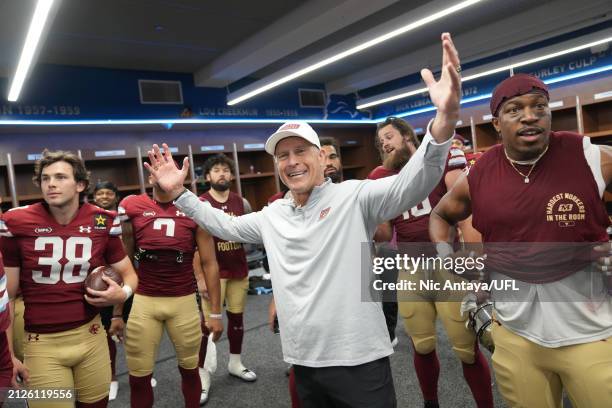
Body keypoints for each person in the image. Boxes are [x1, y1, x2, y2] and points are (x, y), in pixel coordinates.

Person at [144, 32, 461, 407]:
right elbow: (224, 226)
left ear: (321, 158)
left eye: (300, 151)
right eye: (282, 156)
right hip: (303, 360)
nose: (291, 161)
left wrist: (444, 119)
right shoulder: (273, 214)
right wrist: (180, 195)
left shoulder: (354, 196)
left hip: (360, 358)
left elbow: (414, 181)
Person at [429, 73, 612, 408]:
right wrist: (446, 254)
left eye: (539, 106)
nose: (530, 115)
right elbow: (440, 216)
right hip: (515, 334)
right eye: (515, 110)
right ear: (497, 123)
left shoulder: (588, 156)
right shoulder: (479, 174)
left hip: (592, 332)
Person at [368, 116, 492, 408]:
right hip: (411, 268)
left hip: (448, 264)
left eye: (388, 136)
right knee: (422, 345)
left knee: (466, 349)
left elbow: (466, 208)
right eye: (379, 141)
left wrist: (476, 264)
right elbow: (384, 231)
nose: (384, 143)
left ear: (407, 135)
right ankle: (430, 403)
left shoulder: (444, 154)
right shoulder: (380, 175)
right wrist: (365, 217)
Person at [0, 150, 138, 408]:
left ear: (80, 184)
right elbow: (4, 298)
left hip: (92, 334)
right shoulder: (15, 222)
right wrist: (6, 356)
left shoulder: (103, 219)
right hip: (41, 343)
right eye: (45, 178)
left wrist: (123, 294)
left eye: (61, 177)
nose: (50, 183)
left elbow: (130, 274)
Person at [118, 173, 223, 408]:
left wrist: (215, 313)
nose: (162, 175)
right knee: (138, 376)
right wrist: (117, 313)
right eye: (157, 169)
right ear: (148, 175)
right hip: (144, 300)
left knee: (190, 370)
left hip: (183, 300)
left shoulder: (196, 207)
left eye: (168, 169)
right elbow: (123, 261)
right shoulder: (132, 204)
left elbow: (209, 262)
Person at [196, 154, 256, 404]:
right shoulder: (200, 203)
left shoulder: (241, 202)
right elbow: (194, 245)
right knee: (207, 326)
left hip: (238, 270)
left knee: (237, 319)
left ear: (231, 176)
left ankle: (235, 363)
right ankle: (202, 376)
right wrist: (199, 277)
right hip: (213, 274)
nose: (221, 174)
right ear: (207, 177)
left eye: (225, 170)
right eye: (216, 171)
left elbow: (250, 236)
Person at [92, 181, 133, 401]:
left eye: (109, 193)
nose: (105, 196)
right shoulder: (91, 221)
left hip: (128, 281)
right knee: (107, 334)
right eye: (100, 193)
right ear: (94, 197)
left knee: (135, 334)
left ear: (116, 196)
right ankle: (112, 378)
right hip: (102, 284)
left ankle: (143, 373)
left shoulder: (127, 220)